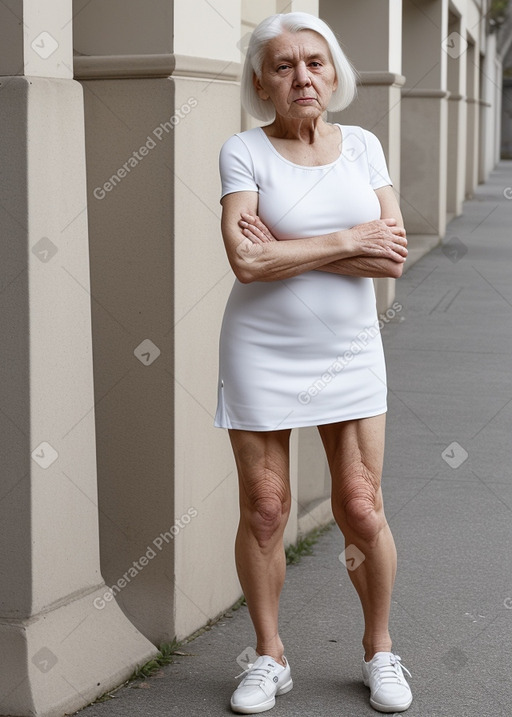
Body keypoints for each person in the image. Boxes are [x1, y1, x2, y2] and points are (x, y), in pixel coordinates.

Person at [214, 11, 412, 715]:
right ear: (262, 82)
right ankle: (269, 656)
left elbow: (391, 252)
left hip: (349, 350)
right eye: (284, 65)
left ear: (333, 75)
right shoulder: (243, 151)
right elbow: (245, 259)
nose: (302, 75)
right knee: (265, 509)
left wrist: (290, 249)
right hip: (262, 352)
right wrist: (348, 239)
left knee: (360, 505)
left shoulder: (362, 146)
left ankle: (380, 648)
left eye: (315, 62)